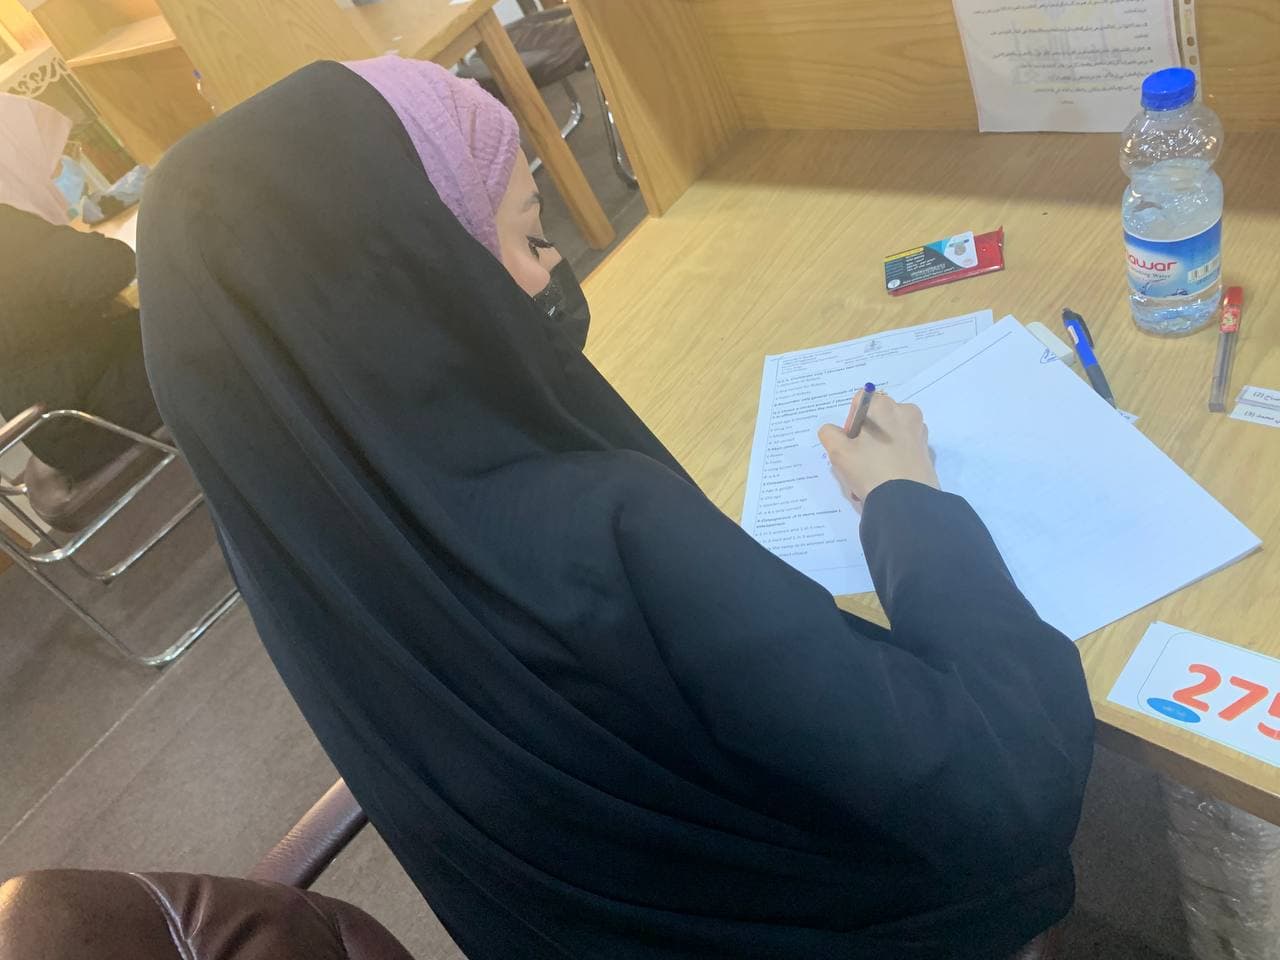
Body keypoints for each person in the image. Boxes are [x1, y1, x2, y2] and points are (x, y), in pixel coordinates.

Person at [138, 59, 1094, 960]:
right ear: (413, 280)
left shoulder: (300, 552)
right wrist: (904, 501)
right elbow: (1009, 782)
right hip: (835, 920)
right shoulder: (611, 536)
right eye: (524, 236)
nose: (547, 272)